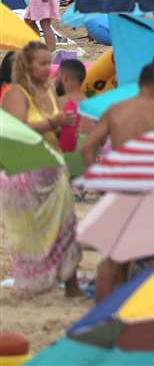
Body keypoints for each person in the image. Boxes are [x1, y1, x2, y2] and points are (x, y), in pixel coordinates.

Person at [0, 41, 81, 297]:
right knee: (34, 237)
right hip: (27, 173)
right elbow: (15, 132)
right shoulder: (16, 94)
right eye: (42, 63)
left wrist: (63, 126)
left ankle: (72, 284)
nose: (49, 69)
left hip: (54, 168)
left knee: (68, 227)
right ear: (27, 65)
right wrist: (51, 122)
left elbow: (54, 127)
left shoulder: (49, 91)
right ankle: (38, 284)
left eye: (50, 63)